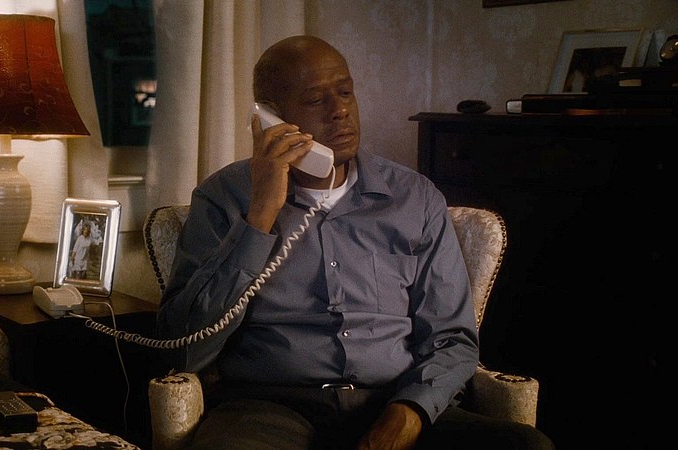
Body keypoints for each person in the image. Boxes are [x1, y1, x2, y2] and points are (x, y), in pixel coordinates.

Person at [156, 35, 555, 450]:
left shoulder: (415, 198)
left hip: (393, 399)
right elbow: (181, 350)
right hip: (268, 407)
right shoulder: (222, 198)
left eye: (345, 92)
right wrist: (259, 216)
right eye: (315, 99)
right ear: (270, 118)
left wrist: (410, 412)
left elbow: (451, 339)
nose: (340, 110)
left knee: (527, 446)